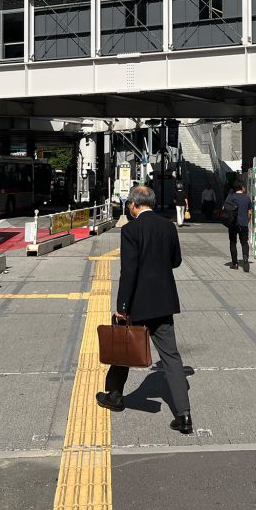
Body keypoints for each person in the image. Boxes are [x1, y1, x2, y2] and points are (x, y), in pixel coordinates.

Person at [96, 184, 193, 434]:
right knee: (171, 357)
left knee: (124, 348)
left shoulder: (130, 230)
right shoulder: (168, 227)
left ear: (134, 204)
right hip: (163, 301)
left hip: (138, 302)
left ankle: (115, 396)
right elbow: (176, 261)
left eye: (129, 203)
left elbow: (129, 271)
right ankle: (184, 415)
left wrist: (122, 306)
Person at [224, 182, 254, 271]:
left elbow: (225, 208)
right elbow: (249, 212)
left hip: (233, 223)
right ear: (242, 188)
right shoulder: (247, 198)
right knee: (244, 242)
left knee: (233, 242)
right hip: (243, 224)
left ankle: (235, 264)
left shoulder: (230, 197)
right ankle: (245, 258)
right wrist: (247, 221)